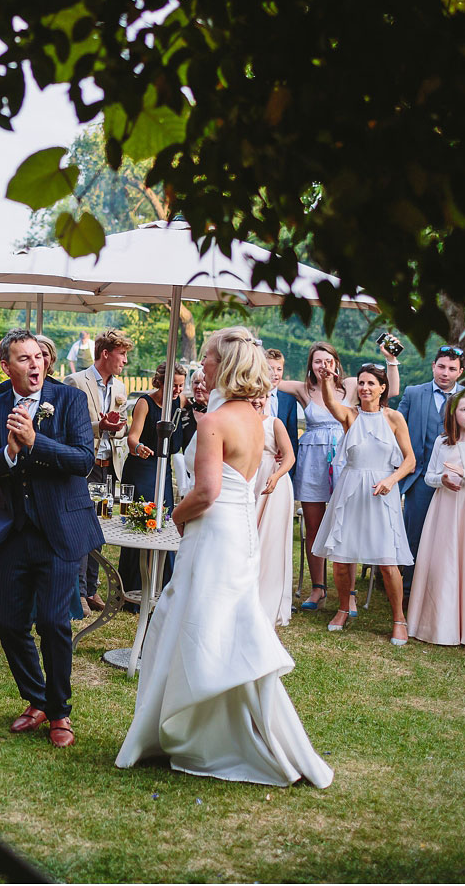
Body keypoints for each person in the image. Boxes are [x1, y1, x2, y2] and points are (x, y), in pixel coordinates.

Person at [116, 327, 332, 788]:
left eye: (209, 358)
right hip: (239, 531)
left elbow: (208, 491)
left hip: (212, 531)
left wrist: (176, 513)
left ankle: (203, 732)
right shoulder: (255, 420)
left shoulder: (216, 422)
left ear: (225, 365)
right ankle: (198, 725)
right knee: (212, 619)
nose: (202, 365)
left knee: (198, 622)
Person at [0, 329, 101, 749]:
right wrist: (9, 454)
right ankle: (38, 698)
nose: (34, 364)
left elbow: (83, 461)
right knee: (8, 621)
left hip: (60, 528)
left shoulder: (68, 401)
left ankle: (59, 712)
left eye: (38, 357)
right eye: (23, 359)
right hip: (12, 530)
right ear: (6, 366)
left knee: (52, 620)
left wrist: (36, 442)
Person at [276, 342, 401, 612]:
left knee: (349, 524)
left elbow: (391, 388)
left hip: (348, 456)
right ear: (311, 364)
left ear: (336, 362)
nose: (323, 365)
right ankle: (318, 587)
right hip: (312, 457)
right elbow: (270, 380)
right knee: (314, 525)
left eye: (328, 360)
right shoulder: (303, 389)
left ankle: (351, 593)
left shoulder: (352, 385)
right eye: (317, 361)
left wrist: (391, 361)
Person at [310, 364, 416, 645]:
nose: (365, 388)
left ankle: (398, 619)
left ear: (383, 388)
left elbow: (410, 460)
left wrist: (391, 480)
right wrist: (325, 381)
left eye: (371, 383)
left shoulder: (394, 418)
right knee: (343, 559)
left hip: (382, 491)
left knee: (387, 561)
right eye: (361, 383)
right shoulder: (350, 416)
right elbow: (331, 402)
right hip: (350, 489)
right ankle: (344, 608)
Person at [405, 392, 465, 648]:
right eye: (463, 410)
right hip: (444, 508)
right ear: (452, 414)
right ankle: (436, 625)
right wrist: (443, 480)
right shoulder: (442, 442)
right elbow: (430, 477)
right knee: (442, 562)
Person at [63, 328, 133, 610]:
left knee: (99, 526)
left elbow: (122, 426)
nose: (125, 361)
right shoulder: (76, 381)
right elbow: (66, 426)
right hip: (84, 467)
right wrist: (99, 426)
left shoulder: (120, 388)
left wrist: (117, 428)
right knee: (81, 529)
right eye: (122, 354)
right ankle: (77, 592)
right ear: (106, 354)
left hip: (107, 469)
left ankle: (92, 589)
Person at [397, 346, 465, 590]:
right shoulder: (414, 393)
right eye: (441, 367)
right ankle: (408, 587)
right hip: (420, 478)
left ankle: (442, 589)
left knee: (449, 536)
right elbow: (397, 429)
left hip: (457, 481)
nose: (445, 373)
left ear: (460, 372)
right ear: (433, 367)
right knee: (414, 533)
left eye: (451, 369)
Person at [119, 362, 189, 603]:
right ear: (160, 381)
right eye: (174, 385)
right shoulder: (144, 403)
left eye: (181, 385)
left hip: (163, 469)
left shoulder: (180, 404)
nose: (178, 390)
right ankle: (133, 587)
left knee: (163, 523)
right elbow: (132, 437)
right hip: (141, 467)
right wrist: (139, 447)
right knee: (142, 524)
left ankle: (161, 588)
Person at [253, 397, 297, 627]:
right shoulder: (238, 422)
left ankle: (266, 601)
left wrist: (276, 475)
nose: (256, 400)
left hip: (273, 483)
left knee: (269, 542)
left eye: (261, 395)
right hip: (247, 480)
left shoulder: (274, 423)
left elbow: (289, 456)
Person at [264, 349, 300, 485]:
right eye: (270, 368)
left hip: (280, 463)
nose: (275, 373)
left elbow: (292, 437)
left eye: (279, 369)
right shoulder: (253, 398)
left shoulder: (288, 400)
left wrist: (289, 470)